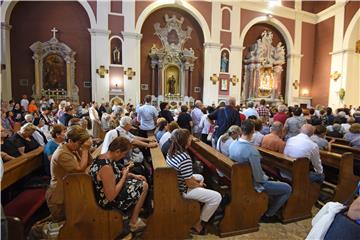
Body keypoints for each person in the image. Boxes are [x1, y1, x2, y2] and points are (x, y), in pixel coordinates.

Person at [229, 120, 292, 222]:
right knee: (287, 188)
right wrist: (267, 178)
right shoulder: (252, 151)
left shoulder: (233, 144)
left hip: (238, 179)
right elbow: (259, 178)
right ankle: (269, 214)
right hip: (252, 184)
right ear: (253, 131)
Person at [166, 129, 222, 234]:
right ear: (184, 141)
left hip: (175, 183)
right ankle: (198, 224)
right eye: (189, 139)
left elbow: (186, 176)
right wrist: (199, 185)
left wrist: (197, 182)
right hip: (182, 190)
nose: (190, 141)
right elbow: (189, 183)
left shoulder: (172, 150)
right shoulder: (184, 158)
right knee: (216, 197)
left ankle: (199, 206)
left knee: (200, 176)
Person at [89, 137, 148, 232]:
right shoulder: (106, 167)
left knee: (141, 181)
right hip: (107, 202)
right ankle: (133, 222)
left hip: (109, 191)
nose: (124, 157)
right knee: (144, 186)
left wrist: (133, 175)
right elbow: (111, 196)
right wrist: (125, 175)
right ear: (117, 151)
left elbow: (115, 175)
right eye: (124, 154)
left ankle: (134, 213)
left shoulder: (104, 157)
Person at [46, 125, 92, 222]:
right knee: (63, 225)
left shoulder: (73, 149)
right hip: (59, 196)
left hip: (70, 191)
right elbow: (79, 169)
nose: (81, 146)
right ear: (70, 140)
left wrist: (85, 148)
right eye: (80, 143)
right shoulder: (62, 153)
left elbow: (89, 162)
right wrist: (85, 150)